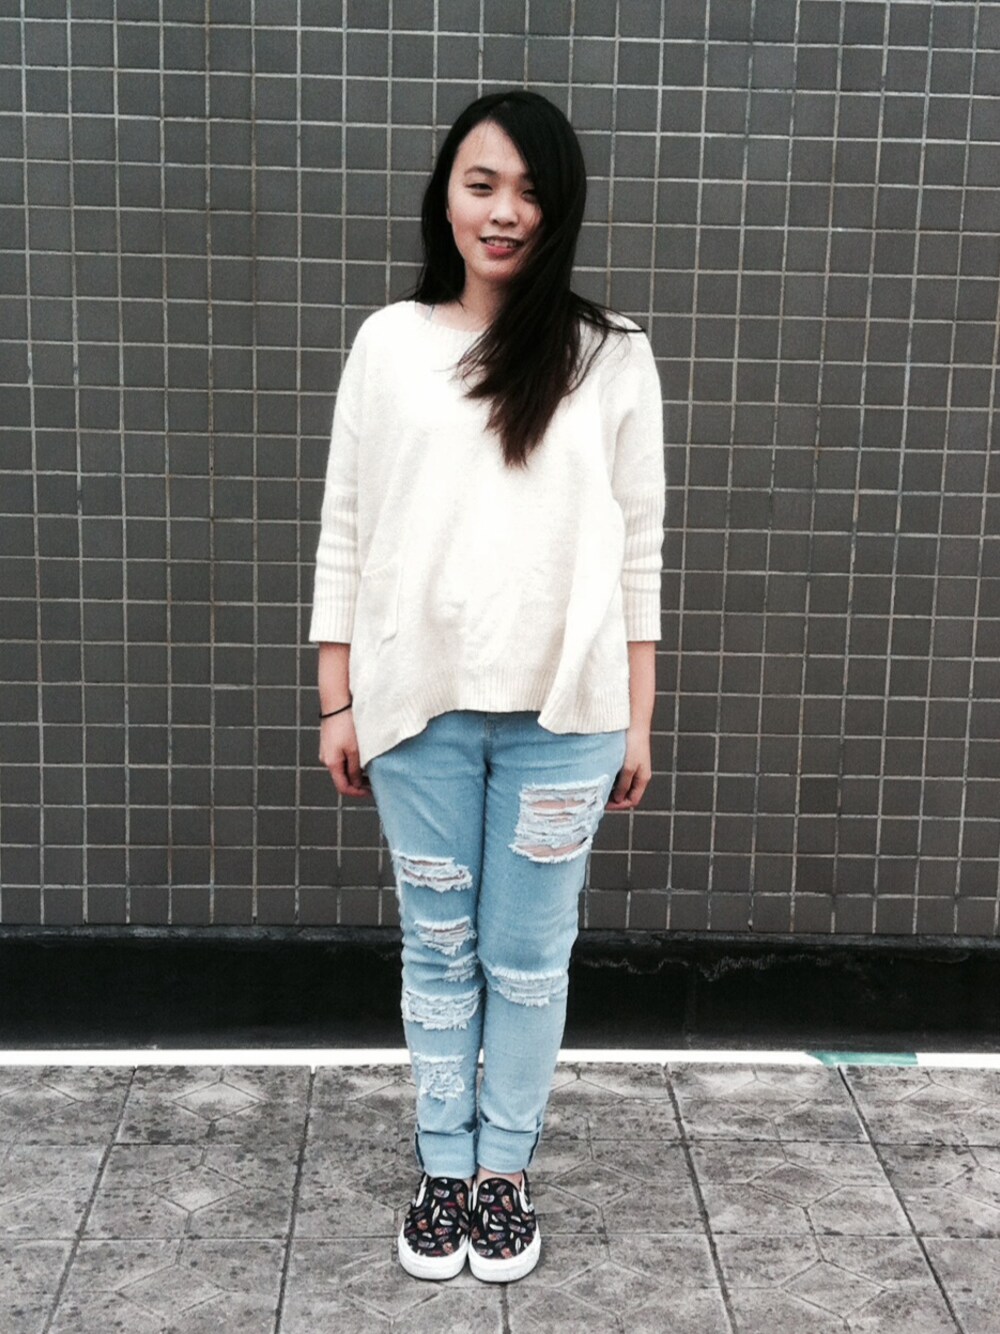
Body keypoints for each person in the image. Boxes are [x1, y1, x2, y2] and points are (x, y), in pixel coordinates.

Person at [309, 88, 665, 1283]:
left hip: (568, 719)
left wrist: (638, 717)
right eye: (482, 183)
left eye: (529, 190)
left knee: (527, 957)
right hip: (416, 711)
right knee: (436, 948)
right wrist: (338, 695)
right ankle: (443, 1167)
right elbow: (346, 526)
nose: (504, 210)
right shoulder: (388, 344)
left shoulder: (610, 355)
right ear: (446, 197)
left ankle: (503, 1170)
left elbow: (639, 550)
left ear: (559, 209)